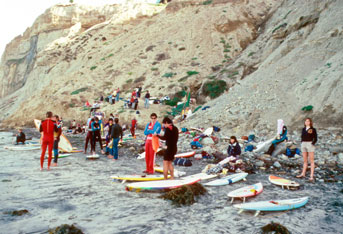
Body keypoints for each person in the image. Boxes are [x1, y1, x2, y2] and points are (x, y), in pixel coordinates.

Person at [297, 118, 318, 182]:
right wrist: (302, 142)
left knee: (311, 160)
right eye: (305, 121)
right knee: (305, 160)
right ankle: (303, 173)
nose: (306, 122)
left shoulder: (313, 129)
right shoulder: (303, 129)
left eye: (308, 121)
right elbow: (302, 136)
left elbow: (315, 138)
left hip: (309, 143)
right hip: (303, 143)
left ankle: (311, 176)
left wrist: (312, 143)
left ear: (310, 122)